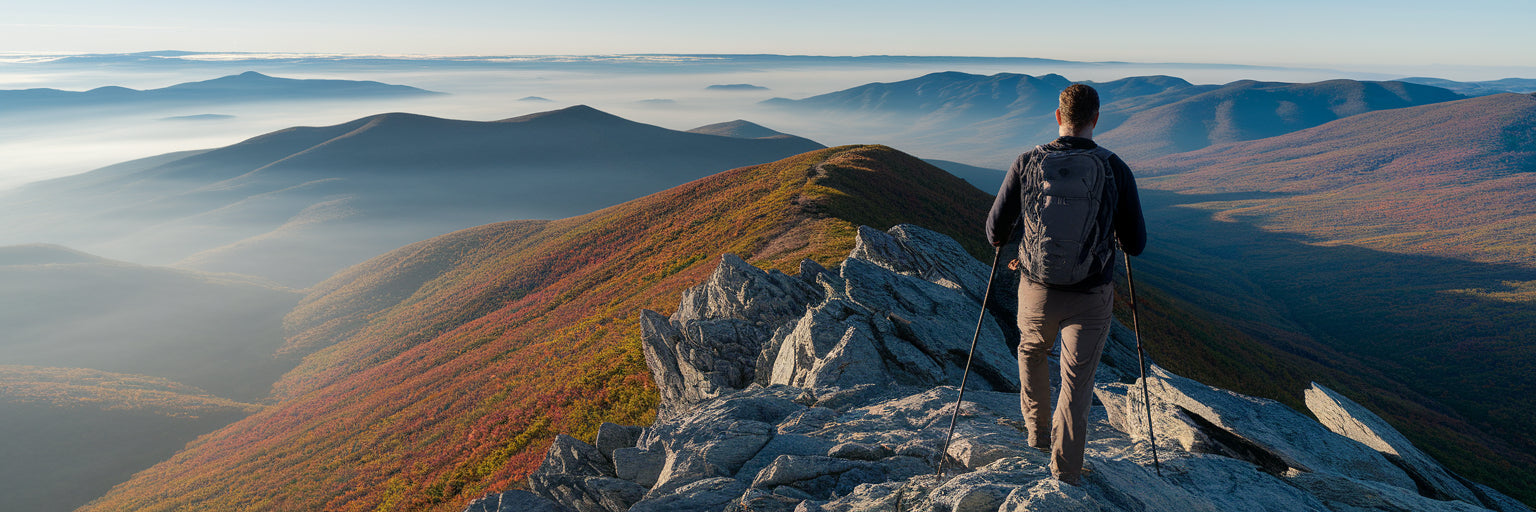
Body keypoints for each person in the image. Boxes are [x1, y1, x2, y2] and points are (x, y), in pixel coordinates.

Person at [985, 83, 1146, 485]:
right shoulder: (1114, 167)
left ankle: (1036, 432)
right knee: (1077, 382)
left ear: (1058, 117)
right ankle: (1066, 474)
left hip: (1037, 287)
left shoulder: (1027, 162)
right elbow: (1136, 243)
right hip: (1091, 295)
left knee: (1031, 350)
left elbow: (994, 231)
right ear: (1096, 119)